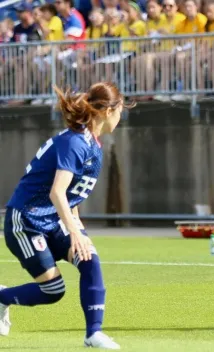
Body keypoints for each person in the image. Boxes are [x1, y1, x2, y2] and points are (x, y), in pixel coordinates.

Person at [0, 82, 134, 349]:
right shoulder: (75, 141)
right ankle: (2, 298)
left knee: (89, 260)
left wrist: (80, 233)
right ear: (109, 110)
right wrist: (74, 231)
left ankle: (93, 333)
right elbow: (57, 192)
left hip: (52, 219)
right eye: (121, 110)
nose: (121, 116)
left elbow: (71, 197)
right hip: (26, 221)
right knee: (53, 291)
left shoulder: (91, 143)